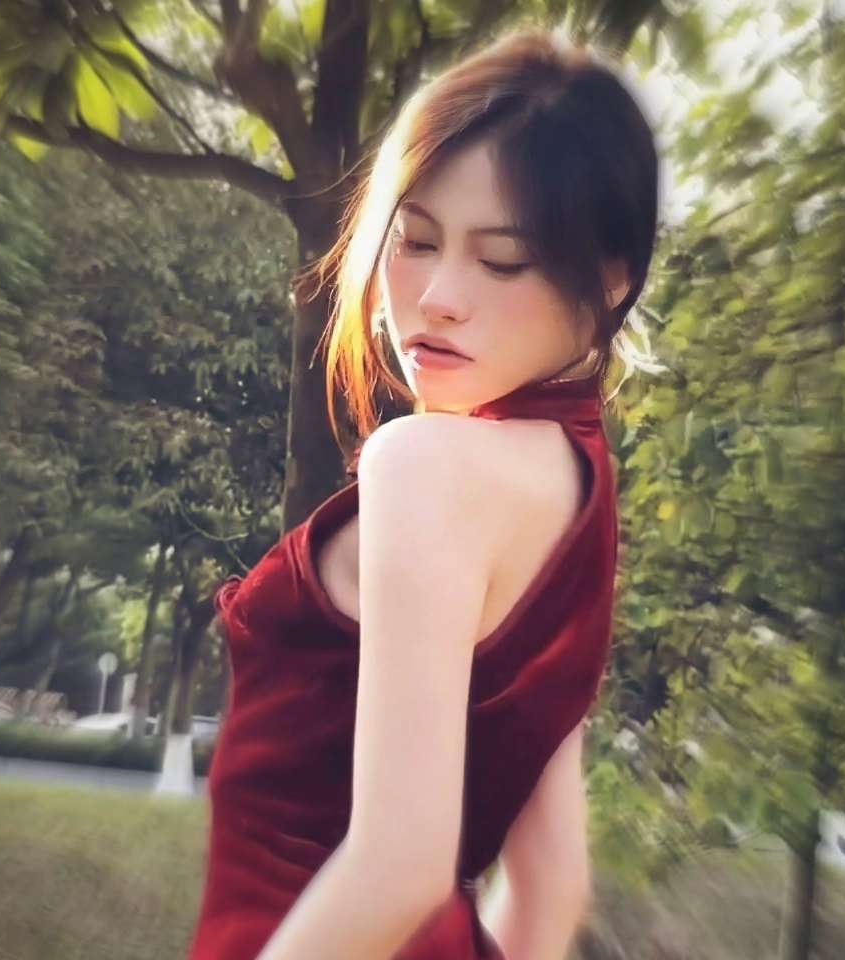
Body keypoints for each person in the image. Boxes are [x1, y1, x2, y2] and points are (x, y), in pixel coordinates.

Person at [188, 25, 659, 960]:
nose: (437, 294)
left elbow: (401, 866)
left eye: (502, 259)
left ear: (610, 284)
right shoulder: (578, 490)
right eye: (415, 240)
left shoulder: (425, 464)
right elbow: (549, 887)